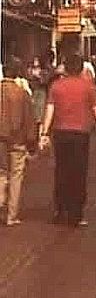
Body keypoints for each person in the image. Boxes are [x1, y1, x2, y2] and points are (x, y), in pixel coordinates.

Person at [39, 53, 96, 227]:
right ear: (81, 68)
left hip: (61, 133)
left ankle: (60, 210)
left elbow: (49, 110)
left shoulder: (56, 86)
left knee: (61, 171)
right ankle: (76, 213)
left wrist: (44, 133)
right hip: (80, 134)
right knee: (78, 173)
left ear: (65, 67)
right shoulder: (88, 87)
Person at [0, 57, 37, 226]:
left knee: (1, 173)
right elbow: (29, 121)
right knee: (16, 176)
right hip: (17, 140)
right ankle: (11, 215)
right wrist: (32, 144)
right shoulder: (21, 94)